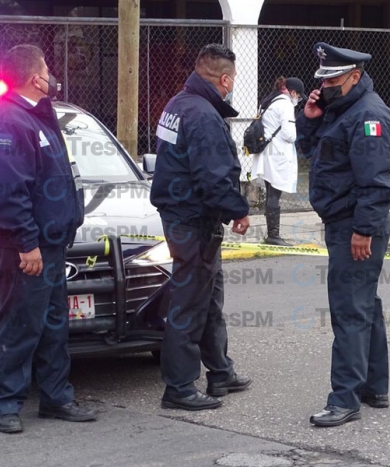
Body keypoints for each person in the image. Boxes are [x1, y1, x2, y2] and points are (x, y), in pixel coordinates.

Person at [0, 44, 96, 434]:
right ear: (33, 77)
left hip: (51, 245)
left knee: (53, 324)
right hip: (28, 247)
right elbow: (9, 191)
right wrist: (27, 244)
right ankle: (6, 405)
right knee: (21, 324)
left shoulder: (37, 116)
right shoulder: (11, 121)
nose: (52, 74)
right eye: (47, 68)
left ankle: (56, 398)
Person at [296, 43, 390, 427]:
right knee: (364, 304)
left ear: (355, 76)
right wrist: (309, 116)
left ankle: (345, 399)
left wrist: (362, 230)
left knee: (349, 311)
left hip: (354, 225)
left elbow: (376, 183)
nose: (327, 85)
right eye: (323, 79)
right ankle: (374, 386)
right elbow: (309, 149)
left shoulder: (369, 116)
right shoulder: (341, 110)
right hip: (343, 222)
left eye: (334, 79)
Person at [149, 44, 252, 411]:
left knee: (209, 296)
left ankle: (220, 371)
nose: (232, 87)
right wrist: (238, 210)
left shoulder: (178, 104)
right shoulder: (204, 116)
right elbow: (214, 176)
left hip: (184, 216)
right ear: (224, 79)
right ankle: (178, 387)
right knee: (191, 302)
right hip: (194, 219)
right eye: (233, 81)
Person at [251, 76, 307, 246]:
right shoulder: (285, 104)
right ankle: (273, 235)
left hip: (267, 153)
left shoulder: (270, 100)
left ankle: (271, 233)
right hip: (277, 156)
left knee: (270, 193)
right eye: (298, 96)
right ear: (293, 92)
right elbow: (290, 135)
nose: (298, 100)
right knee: (274, 194)